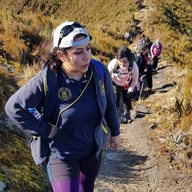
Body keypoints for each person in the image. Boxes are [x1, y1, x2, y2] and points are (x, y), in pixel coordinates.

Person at [4, 21, 121, 192]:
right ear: (60, 55)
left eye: (88, 48)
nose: (87, 56)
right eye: (78, 52)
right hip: (60, 155)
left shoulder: (99, 71)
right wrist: (45, 130)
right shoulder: (48, 79)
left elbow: (109, 102)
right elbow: (14, 107)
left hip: (92, 152)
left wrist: (115, 132)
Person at [108, 46, 139, 123]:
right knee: (116, 98)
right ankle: (117, 115)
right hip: (114, 82)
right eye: (120, 61)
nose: (123, 64)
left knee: (127, 98)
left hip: (126, 83)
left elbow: (135, 79)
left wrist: (131, 88)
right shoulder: (113, 64)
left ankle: (127, 115)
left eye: (125, 61)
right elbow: (107, 76)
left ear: (129, 59)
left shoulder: (133, 66)